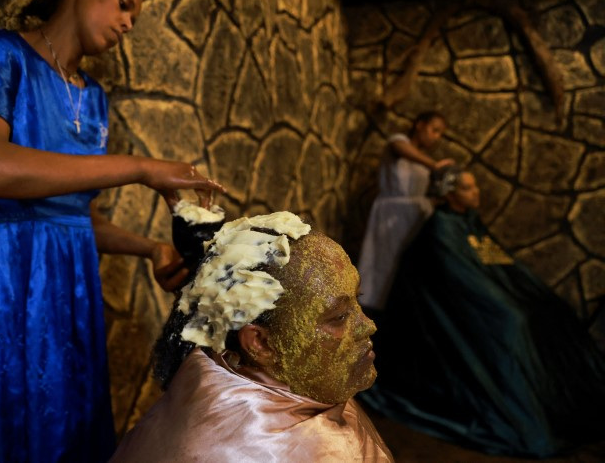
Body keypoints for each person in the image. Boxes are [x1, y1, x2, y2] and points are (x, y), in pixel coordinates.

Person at [0, 0, 224, 462]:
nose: (128, 23)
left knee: (60, 430)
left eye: (135, 18)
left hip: (66, 292)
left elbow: (72, 217)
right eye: (124, 4)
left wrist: (149, 248)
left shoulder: (94, 99)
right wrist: (141, 167)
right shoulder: (1, 53)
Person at [359, 167, 605, 458]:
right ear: (450, 194)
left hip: (486, 299)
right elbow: (463, 281)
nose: (477, 193)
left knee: (552, 312)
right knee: (515, 323)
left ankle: (560, 401)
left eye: (475, 187)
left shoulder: (469, 223)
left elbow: (499, 266)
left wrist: (527, 293)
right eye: (468, 188)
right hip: (455, 310)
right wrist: (509, 305)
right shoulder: (441, 229)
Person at [111, 212, 393, 462]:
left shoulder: (238, 371)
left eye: (358, 299)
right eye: (339, 317)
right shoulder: (255, 449)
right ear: (260, 343)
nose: (367, 326)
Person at [357, 111, 453, 314]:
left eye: (440, 134)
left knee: (402, 266)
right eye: (434, 130)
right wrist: (434, 165)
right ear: (419, 124)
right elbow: (400, 148)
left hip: (413, 217)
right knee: (382, 262)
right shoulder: (399, 142)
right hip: (391, 213)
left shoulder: (424, 163)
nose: (436, 137)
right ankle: (371, 310)